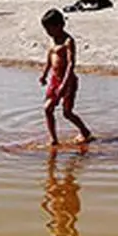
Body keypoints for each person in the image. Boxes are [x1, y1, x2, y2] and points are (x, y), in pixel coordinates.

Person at [39, 9, 93, 146]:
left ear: (60, 25)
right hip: (54, 80)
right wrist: (44, 75)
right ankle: (53, 139)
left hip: (68, 81)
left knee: (67, 113)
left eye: (49, 29)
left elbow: (71, 64)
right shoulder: (52, 41)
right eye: (46, 30)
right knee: (47, 108)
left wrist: (64, 84)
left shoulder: (68, 41)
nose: (48, 32)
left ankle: (85, 132)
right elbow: (49, 60)